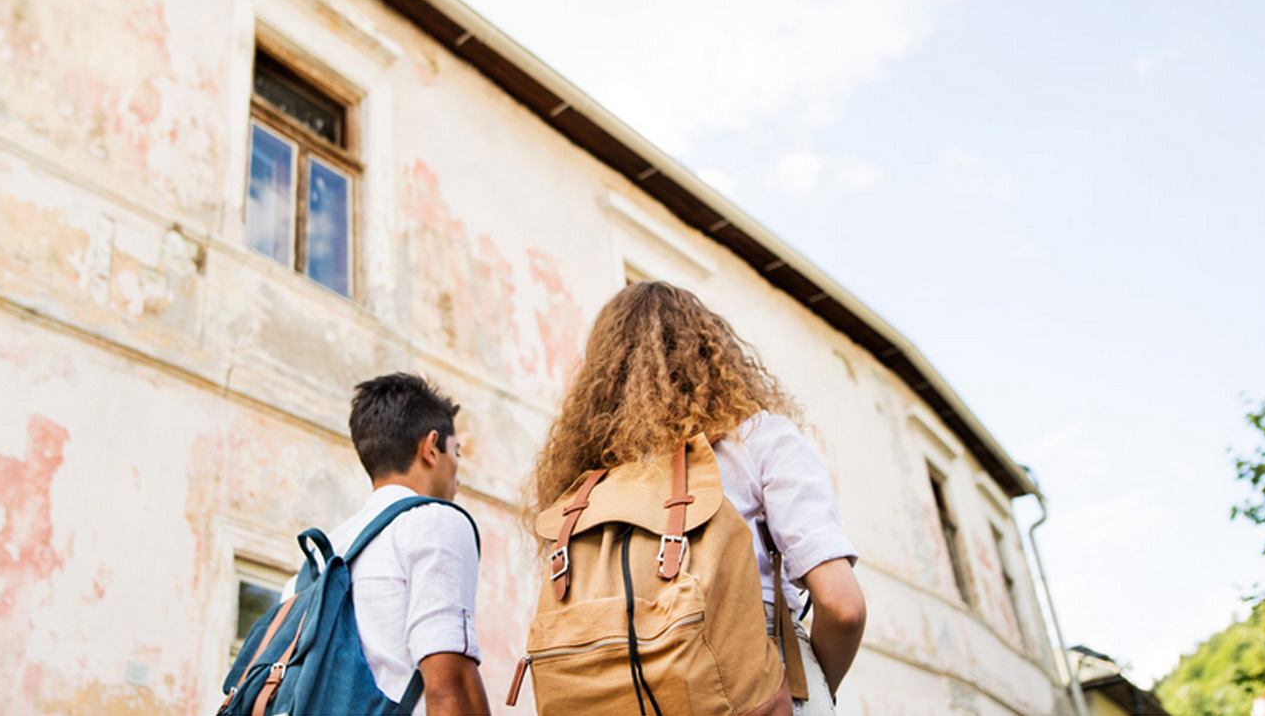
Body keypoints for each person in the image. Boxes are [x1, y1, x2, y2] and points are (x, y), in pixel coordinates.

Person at [522, 281, 867, 714]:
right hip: (758, 670)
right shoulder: (759, 440)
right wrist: (811, 686)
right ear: (710, 351)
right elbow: (842, 606)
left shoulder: (587, 488)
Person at [287, 372, 490, 715]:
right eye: (457, 451)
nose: (458, 468)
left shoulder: (312, 567)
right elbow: (448, 685)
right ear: (431, 447)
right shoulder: (436, 521)